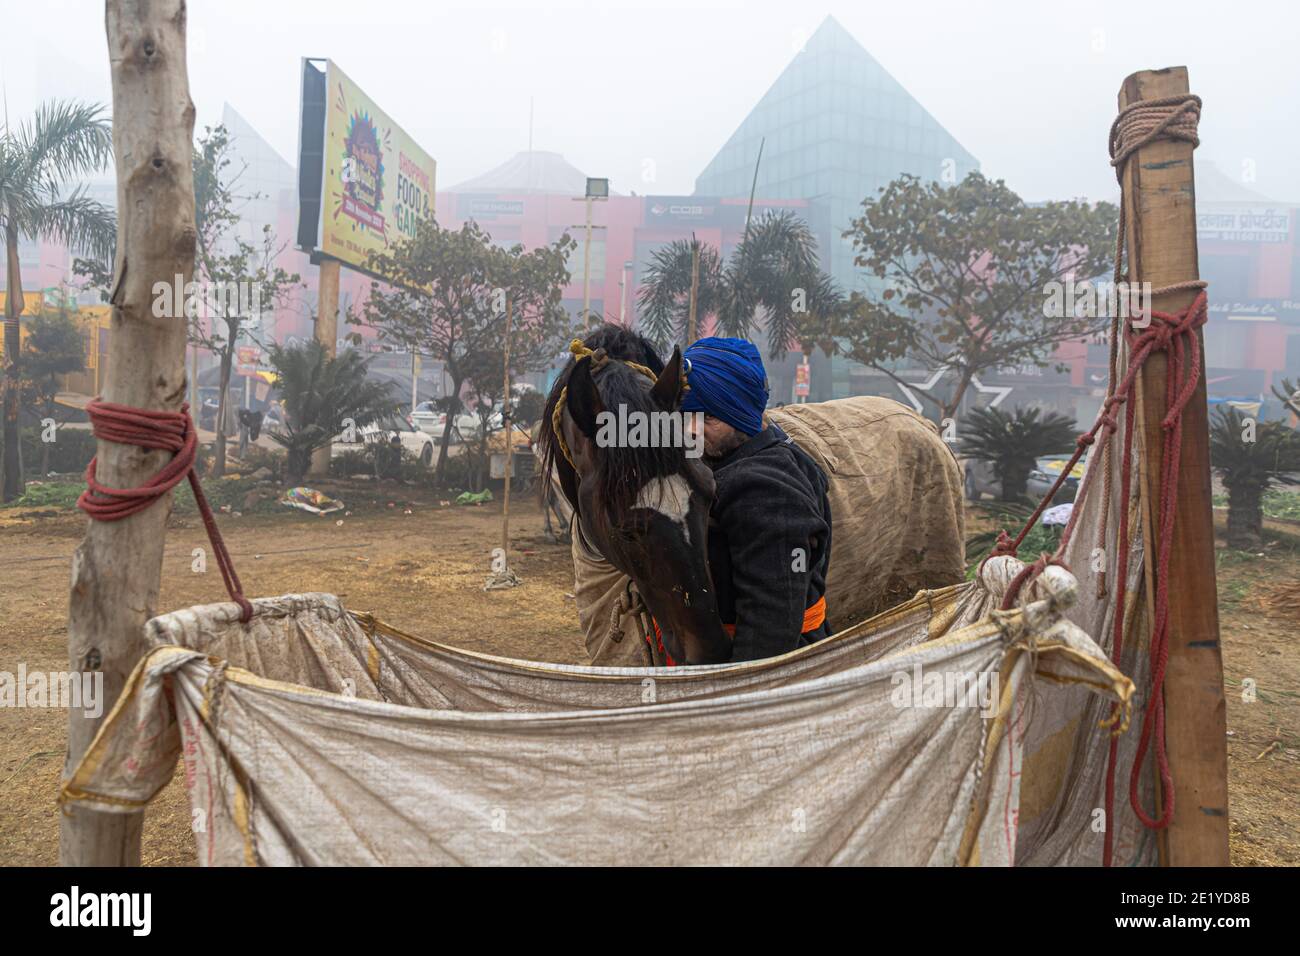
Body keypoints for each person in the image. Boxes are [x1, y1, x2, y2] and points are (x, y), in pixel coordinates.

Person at [682, 337, 832, 661]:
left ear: (740, 413)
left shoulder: (766, 495)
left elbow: (769, 633)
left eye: (707, 418)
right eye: (685, 415)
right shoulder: (751, 449)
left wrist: (739, 702)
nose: (691, 429)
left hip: (769, 672)